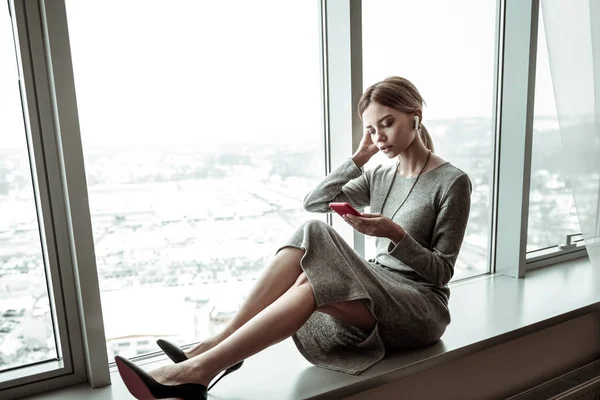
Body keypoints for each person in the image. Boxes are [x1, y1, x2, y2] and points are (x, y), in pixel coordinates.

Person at [114, 76, 472, 400]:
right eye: (371, 130)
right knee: (311, 273)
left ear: (416, 115)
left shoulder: (452, 182)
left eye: (387, 123)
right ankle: (204, 361)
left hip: (421, 308)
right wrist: (360, 157)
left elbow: (440, 272)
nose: (379, 137)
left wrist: (395, 234)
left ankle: (202, 362)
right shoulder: (380, 175)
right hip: (379, 292)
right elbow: (314, 202)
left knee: (315, 237)